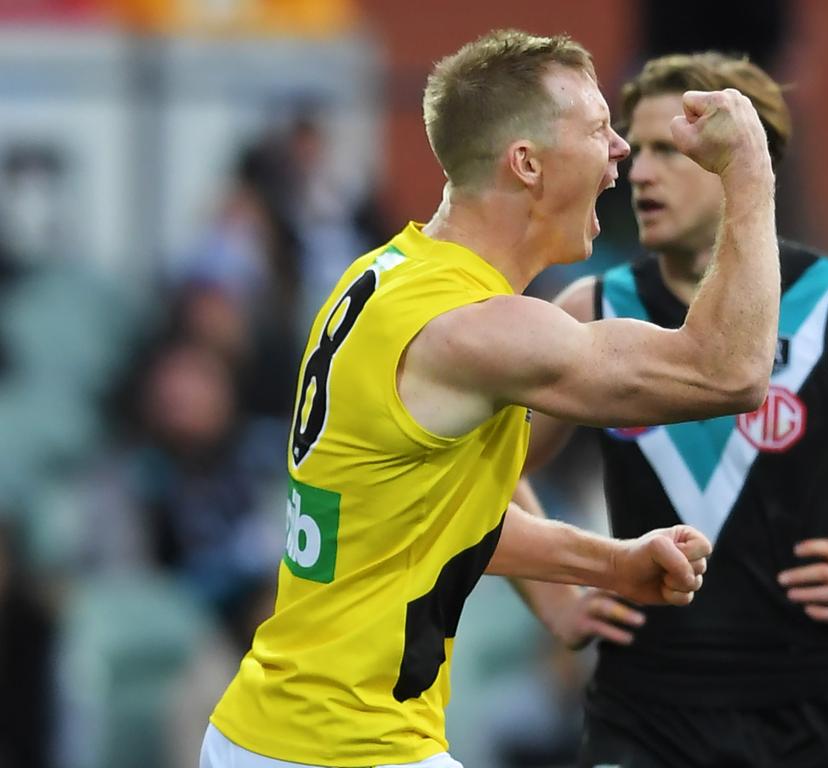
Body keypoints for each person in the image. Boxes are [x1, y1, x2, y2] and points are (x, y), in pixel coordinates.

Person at [202, 30, 782, 768]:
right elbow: (729, 371)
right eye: (599, 128)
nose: (621, 151)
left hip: (274, 732)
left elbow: (428, 524)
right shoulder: (479, 331)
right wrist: (750, 172)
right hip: (340, 748)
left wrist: (612, 564)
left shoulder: (383, 275)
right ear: (528, 163)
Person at [515, 52, 828, 768]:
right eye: (637, 146)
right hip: (645, 713)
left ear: (745, 161)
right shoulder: (593, 310)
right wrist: (555, 598)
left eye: (673, 147)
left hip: (814, 719)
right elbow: (481, 463)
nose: (642, 172)